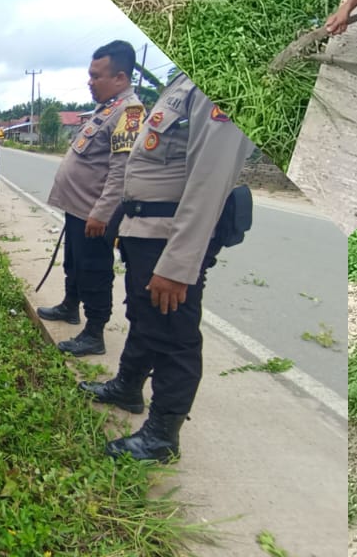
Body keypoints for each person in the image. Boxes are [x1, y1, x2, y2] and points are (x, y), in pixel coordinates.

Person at [80, 74, 254, 464]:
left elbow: (210, 179)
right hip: (145, 229)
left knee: (174, 331)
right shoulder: (182, 82)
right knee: (144, 316)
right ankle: (128, 385)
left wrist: (178, 265)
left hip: (169, 235)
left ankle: (162, 435)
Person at [39, 41, 145, 357]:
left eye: (96, 76)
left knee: (94, 270)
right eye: (90, 75)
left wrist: (102, 212)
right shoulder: (108, 107)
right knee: (74, 262)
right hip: (78, 208)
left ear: (120, 78)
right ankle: (71, 306)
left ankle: (94, 333)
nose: (90, 81)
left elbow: (121, 170)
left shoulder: (131, 112)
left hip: (95, 213)